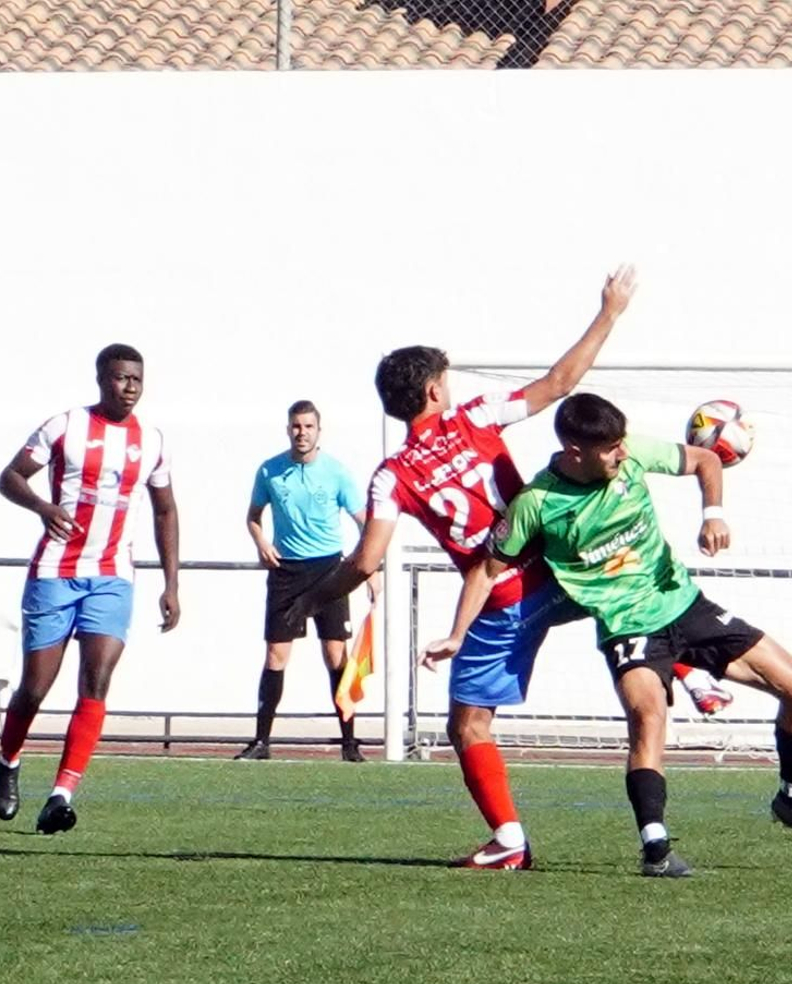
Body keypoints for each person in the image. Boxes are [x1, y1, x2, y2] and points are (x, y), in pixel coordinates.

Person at [282, 267, 731, 870]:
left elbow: (365, 560)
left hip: (501, 599)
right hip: (565, 573)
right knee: (627, 594)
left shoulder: (391, 475)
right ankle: (688, 668)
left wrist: (311, 600)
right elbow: (561, 382)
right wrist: (610, 312)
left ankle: (509, 840)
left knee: (468, 725)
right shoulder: (477, 416)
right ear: (434, 391)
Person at [423, 392, 792, 878]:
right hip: (627, 625)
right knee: (649, 717)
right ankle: (656, 848)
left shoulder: (631, 453)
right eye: (611, 449)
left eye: (622, 444)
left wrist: (713, 513)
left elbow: (706, 459)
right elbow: (486, 570)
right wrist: (456, 634)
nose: (622, 454)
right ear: (576, 451)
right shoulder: (537, 503)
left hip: (685, 605)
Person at [0, 343, 180, 834]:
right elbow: (9, 477)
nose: (130, 387)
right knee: (35, 687)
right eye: (121, 378)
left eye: (137, 379)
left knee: (96, 680)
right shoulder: (66, 426)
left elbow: (165, 510)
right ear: (101, 379)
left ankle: (61, 795)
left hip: (112, 576)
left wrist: (171, 583)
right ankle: (9, 759)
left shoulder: (152, 441)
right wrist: (42, 507)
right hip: (56, 572)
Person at [238, 400, 380, 762]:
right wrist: (261, 541)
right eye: (296, 426)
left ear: (319, 431)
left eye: (308, 426)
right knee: (276, 654)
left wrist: (370, 569)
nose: (302, 433)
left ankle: (349, 743)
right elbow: (253, 516)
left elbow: (366, 523)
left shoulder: (336, 472)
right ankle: (261, 742)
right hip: (287, 572)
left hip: (330, 571)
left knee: (335, 654)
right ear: (288, 429)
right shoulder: (270, 470)